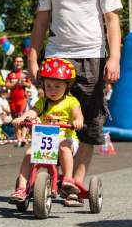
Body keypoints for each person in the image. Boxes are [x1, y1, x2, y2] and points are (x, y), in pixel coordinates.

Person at [28, 0, 122, 205]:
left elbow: (112, 20)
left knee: (90, 123)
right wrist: (33, 56)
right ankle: (49, 176)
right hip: (57, 56)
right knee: (51, 116)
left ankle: (74, 183)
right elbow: (41, 21)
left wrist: (114, 57)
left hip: (92, 56)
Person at [9, 58, 84, 206]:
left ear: (67, 86)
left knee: (63, 147)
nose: (52, 90)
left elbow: (78, 115)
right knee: (29, 153)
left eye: (57, 86)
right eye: (48, 86)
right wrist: (22, 118)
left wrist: (78, 121)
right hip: (45, 140)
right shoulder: (43, 102)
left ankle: (68, 179)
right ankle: (22, 188)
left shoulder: (71, 101)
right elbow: (32, 112)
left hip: (67, 139)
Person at [6, 56, 31, 146]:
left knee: (23, 119)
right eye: (17, 61)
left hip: (22, 100)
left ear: (23, 63)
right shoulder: (10, 74)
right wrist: (17, 82)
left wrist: (22, 81)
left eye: (20, 61)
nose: (18, 63)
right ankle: (18, 138)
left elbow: (29, 85)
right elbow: (8, 85)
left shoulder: (25, 74)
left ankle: (23, 138)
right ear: (14, 63)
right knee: (15, 120)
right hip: (13, 101)